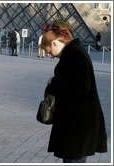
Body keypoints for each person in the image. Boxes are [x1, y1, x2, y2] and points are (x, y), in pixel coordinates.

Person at [40, 19, 107, 163]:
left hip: (78, 126)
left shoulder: (75, 53)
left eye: (49, 51)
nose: (50, 55)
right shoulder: (72, 53)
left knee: (74, 160)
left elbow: (82, 87)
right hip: (76, 124)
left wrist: (55, 81)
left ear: (55, 42)